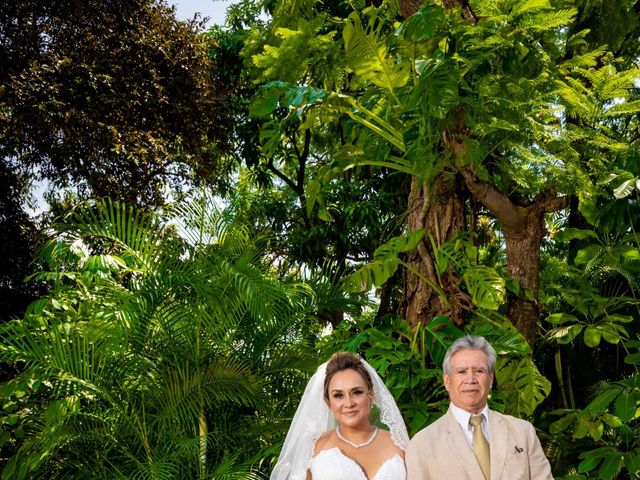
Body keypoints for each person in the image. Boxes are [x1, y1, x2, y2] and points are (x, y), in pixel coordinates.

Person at [405, 335, 553, 480]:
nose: (471, 379)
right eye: (462, 371)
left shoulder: (522, 432)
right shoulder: (422, 444)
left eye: (479, 371)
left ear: (490, 379)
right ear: (447, 381)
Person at [271, 351, 410, 480]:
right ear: (328, 402)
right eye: (338, 395)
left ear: (371, 394)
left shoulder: (399, 444)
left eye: (357, 392)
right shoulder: (313, 448)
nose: (348, 403)